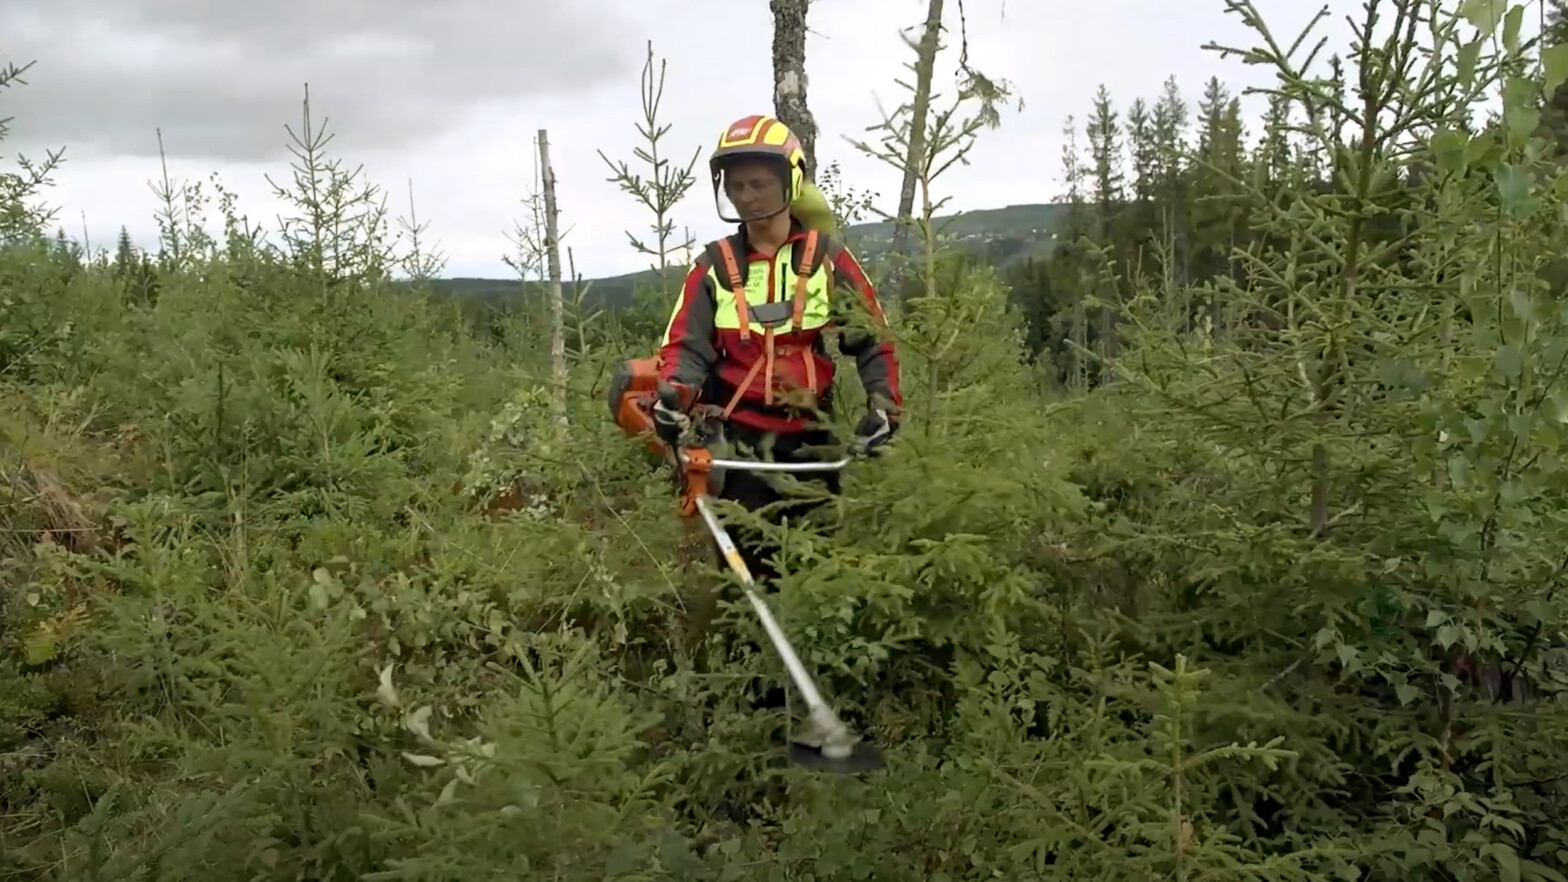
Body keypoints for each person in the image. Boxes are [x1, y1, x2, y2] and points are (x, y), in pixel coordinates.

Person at [653, 113, 902, 581]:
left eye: (758, 184)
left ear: (790, 181)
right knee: (745, 576)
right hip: (738, 446)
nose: (746, 196)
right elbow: (684, 349)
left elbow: (874, 341)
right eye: (736, 185)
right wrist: (675, 395)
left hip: (815, 442)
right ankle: (744, 650)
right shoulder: (713, 267)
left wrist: (884, 408)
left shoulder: (827, 260)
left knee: (818, 567)